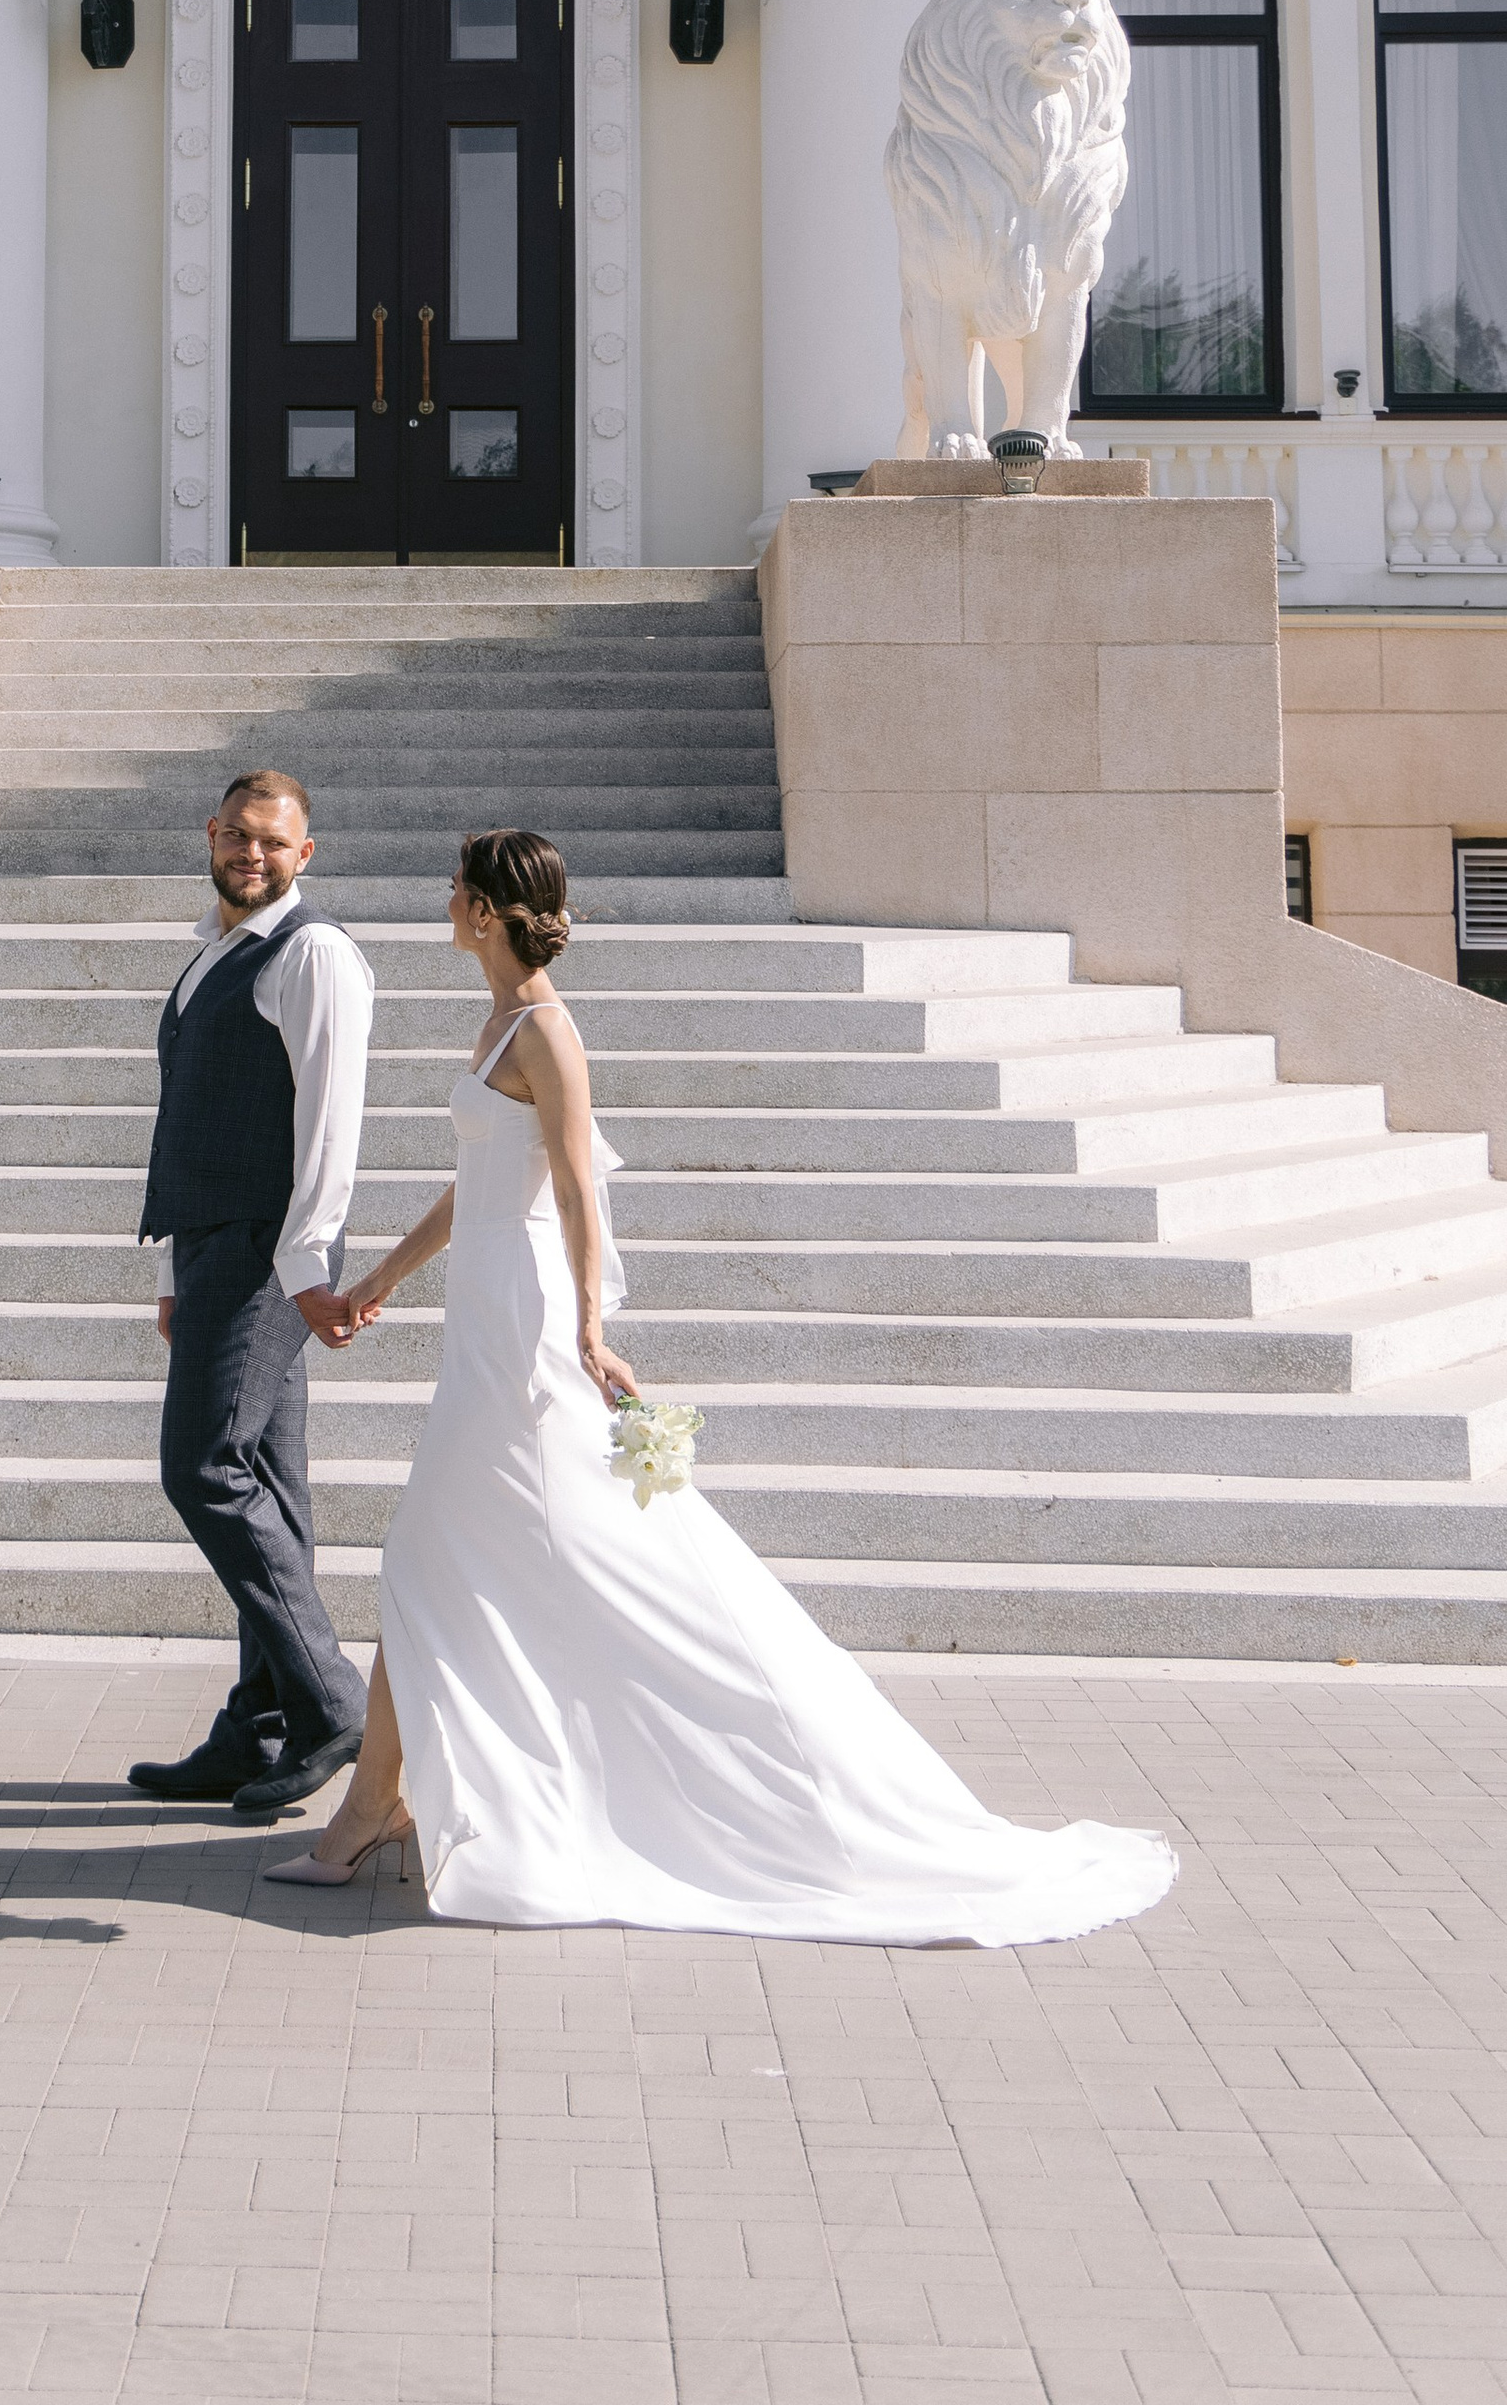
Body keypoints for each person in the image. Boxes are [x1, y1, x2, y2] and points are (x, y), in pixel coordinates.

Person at [269, 827, 1179, 1945]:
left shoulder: (550, 1031)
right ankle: (375, 1803)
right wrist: (377, 1283)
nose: (446, 904)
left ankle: (381, 1805)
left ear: (494, 912)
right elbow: (475, 1184)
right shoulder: (497, 1016)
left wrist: (593, 1331)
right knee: (439, 1556)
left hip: (530, 1323)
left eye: (459, 893)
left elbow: (573, 1192)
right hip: (485, 1308)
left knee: (438, 1551)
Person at [126, 769, 377, 1823]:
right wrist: (171, 1275)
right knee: (271, 1483)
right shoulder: (210, 956)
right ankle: (257, 1727)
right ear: (211, 834)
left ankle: (328, 1702)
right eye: (237, 835)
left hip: (270, 1250)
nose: (253, 855)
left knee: (205, 1469)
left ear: (304, 854)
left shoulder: (313, 953)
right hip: (209, 1249)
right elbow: (185, 1115)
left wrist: (308, 1261)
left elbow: (329, 1119)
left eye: (274, 842)